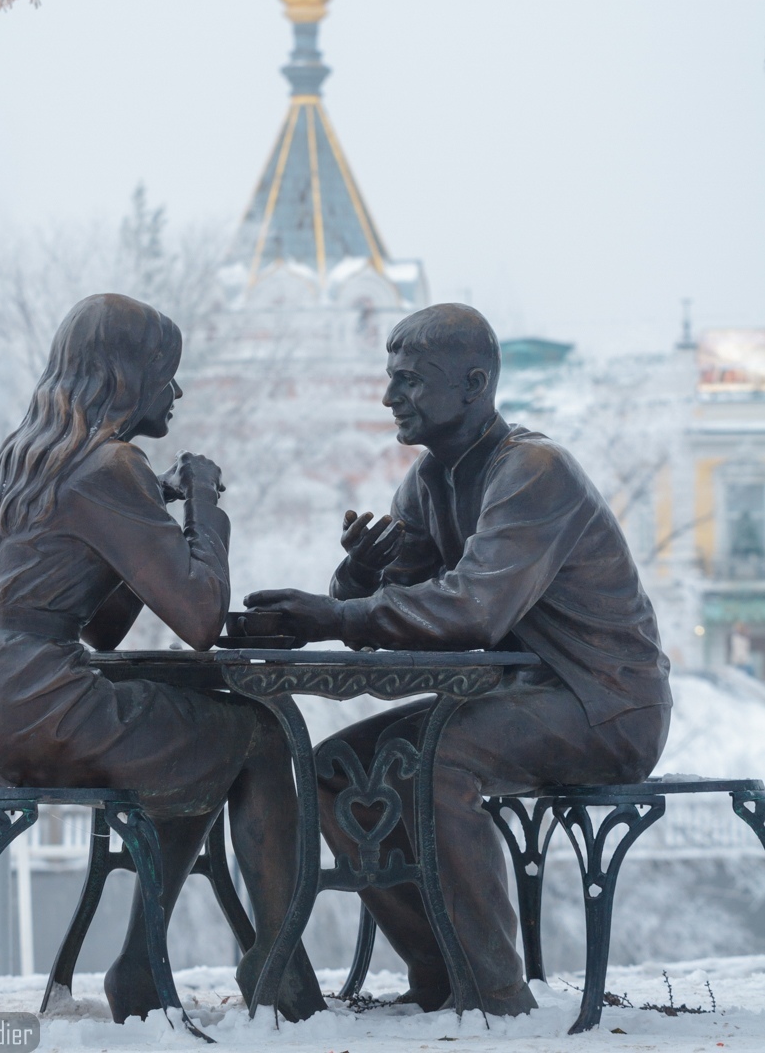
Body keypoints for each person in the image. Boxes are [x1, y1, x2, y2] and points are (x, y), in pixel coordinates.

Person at [246, 303, 672, 1018]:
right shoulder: (425, 483)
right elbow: (404, 612)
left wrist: (339, 615)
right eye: (390, 379)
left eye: (409, 381)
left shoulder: (534, 471)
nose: (389, 398)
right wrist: (355, 581)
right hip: (511, 699)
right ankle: (440, 971)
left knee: (438, 759)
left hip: (604, 704)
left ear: (473, 385)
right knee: (330, 773)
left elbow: (471, 610)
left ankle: (494, 994)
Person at [0, 293, 323, 1023]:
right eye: (166, 374)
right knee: (257, 733)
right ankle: (281, 971)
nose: (176, 393)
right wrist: (204, 507)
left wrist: (150, 526)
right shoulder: (111, 465)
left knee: (194, 738)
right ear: (126, 376)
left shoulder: (31, 460)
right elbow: (202, 619)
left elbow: (104, 629)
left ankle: (143, 967)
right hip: (29, 703)